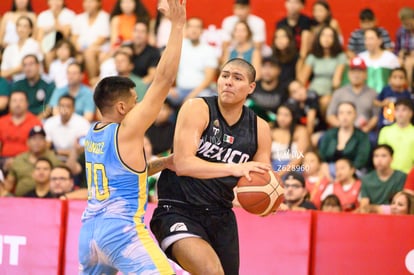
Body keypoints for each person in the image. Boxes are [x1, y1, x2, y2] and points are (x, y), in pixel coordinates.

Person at [78, 0, 186, 273]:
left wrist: (163, 162)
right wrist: (177, 25)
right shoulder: (126, 129)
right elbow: (163, 79)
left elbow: (125, 175)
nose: (140, 107)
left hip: (89, 234)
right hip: (120, 233)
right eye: (136, 102)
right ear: (122, 107)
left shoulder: (93, 132)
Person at [150, 58, 273, 275]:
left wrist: (269, 199)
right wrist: (232, 168)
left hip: (221, 214)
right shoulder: (197, 108)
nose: (228, 82)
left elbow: (260, 178)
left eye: (237, 78)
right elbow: (183, 163)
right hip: (178, 208)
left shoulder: (260, 128)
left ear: (251, 87)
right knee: (211, 271)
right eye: (225, 76)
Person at [298, 25, 347, 116]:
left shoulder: (340, 56)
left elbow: (336, 82)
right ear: (319, 38)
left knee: (325, 102)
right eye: (323, 35)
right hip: (313, 92)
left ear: (335, 39)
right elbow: (302, 79)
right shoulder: (313, 56)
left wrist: (334, 96)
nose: (326, 38)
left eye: (330, 36)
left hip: (330, 92)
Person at [169, 17, 218, 107]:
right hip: (180, 90)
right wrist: (169, 87)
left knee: (203, 100)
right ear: (186, 29)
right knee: (161, 96)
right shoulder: (179, 46)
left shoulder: (209, 50)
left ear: (202, 31)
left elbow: (209, 78)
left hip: (201, 91)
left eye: (197, 27)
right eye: (191, 27)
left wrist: (192, 95)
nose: (194, 30)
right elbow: (168, 69)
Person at [326, 57, 379, 134]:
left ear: (366, 74)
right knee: (323, 139)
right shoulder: (339, 92)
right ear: (349, 74)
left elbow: (376, 116)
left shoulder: (373, 94)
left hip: (364, 132)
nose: (356, 75)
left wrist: (367, 128)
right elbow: (330, 115)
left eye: (360, 72)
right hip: (341, 130)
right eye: (353, 72)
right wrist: (342, 126)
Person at [4, 125, 61, 196]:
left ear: (46, 142)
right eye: (34, 139)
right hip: (20, 201)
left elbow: (61, 182)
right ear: (28, 142)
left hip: (48, 200)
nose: (37, 142)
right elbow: (9, 183)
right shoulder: (19, 159)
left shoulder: (54, 159)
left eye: (41, 139)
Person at [319, 101, 371, 178]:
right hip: (328, 172)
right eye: (341, 113)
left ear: (355, 115)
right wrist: (325, 168)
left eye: (349, 113)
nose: (345, 116)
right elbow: (321, 157)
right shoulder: (329, 134)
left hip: (353, 173)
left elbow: (361, 160)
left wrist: (344, 172)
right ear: (337, 116)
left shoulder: (362, 136)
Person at [71, 0, 110, 85]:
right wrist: (78, 47)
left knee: (89, 53)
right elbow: (74, 37)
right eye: (86, 2)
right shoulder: (78, 18)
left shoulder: (105, 17)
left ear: (98, 3)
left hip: (99, 48)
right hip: (81, 49)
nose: (88, 4)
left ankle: (93, 82)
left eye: (91, 2)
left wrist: (86, 49)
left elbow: (102, 39)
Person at [359, 144, 406, 213]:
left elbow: (403, 204)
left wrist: (377, 208)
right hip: (374, 217)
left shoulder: (401, 177)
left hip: (395, 215)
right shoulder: (366, 179)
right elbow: (364, 206)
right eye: (376, 156)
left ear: (392, 158)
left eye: (383, 156)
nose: (379, 160)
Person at [43, 95, 91, 162]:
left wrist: (60, 153)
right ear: (58, 107)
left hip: (77, 159)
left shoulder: (83, 123)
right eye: (62, 106)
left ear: (73, 108)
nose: (64, 109)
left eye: (68, 106)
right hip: (55, 159)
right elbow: (45, 146)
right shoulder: (50, 122)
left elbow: (83, 150)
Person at [0, 91, 42, 162]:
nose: (18, 104)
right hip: (3, 159)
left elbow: (39, 145)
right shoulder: (1, 121)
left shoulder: (35, 122)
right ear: (9, 104)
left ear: (27, 104)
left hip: (27, 159)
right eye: (14, 101)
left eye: (21, 100)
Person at [11, 54, 55, 119]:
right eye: (25, 65)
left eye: (31, 64)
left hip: (41, 120)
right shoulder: (17, 84)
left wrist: (34, 122)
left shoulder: (48, 84)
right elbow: (12, 106)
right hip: (21, 119)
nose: (28, 68)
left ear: (38, 66)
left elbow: (49, 108)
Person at [271, 103, 310, 175]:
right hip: (273, 166)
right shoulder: (271, 131)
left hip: (293, 168)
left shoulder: (301, 131)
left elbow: (299, 158)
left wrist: (280, 173)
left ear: (293, 117)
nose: (282, 118)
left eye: (286, 115)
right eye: (279, 114)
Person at [1, 16, 42, 82]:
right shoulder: (9, 48)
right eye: (19, 26)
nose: (21, 29)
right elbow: (2, 73)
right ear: (16, 28)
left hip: (32, 82)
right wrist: (18, 69)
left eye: (25, 26)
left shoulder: (34, 45)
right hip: (14, 83)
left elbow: (29, 68)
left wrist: (11, 71)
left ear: (30, 30)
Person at [358, 28, 400, 93]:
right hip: (364, 95)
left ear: (380, 40)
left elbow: (398, 79)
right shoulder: (360, 58)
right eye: (366, 39)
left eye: (371, 39)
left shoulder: (390, 58)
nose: (368, 42)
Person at [378, 98, 414, 174]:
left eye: (404, 110)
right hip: (388, 175)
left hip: (409, 175)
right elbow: (380, 155)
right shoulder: (385, 131)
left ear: (411, 113)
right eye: (397, 110)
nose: (400, 113)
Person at [246, 56, 287, 123]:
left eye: (271, 67)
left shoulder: (284, 89)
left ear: (279, 70)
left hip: (274, 125)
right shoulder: (252, 86)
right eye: (264, 66)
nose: (267, 70)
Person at [395, 7, 414, 91]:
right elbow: (397, 48)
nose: (407, 26)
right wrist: (399, 54)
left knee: (409, 64)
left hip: (412, 57)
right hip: (404, 56)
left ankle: (409, 89)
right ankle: (397, 89)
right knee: (397, 62)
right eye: (405, 24)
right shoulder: (401, 31)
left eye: (409, 23)